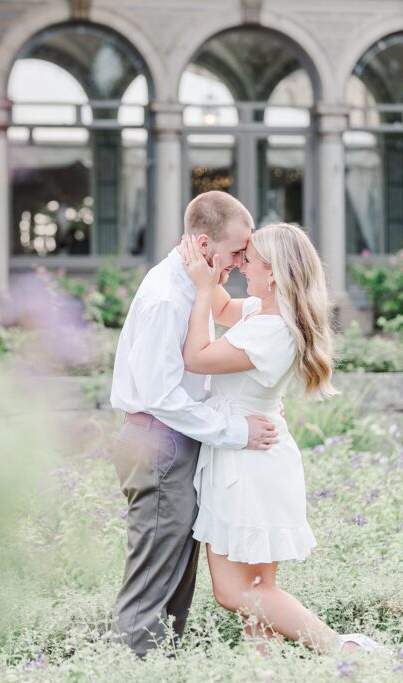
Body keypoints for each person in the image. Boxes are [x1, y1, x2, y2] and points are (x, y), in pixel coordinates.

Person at [180, 222, 384, 655]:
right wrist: (208, 271)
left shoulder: (271, 330)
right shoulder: (264, 312)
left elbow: (197, 358)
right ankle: (266, 670)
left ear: (272, 273)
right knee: (258, 590)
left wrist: (201, 289)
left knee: (235, 593)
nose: (239, 267)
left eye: (247, 260)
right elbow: (222, 310)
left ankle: (344, 652)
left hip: (249, 464)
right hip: (250, 453)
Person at [109, 191, 280, 657]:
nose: (240, 262)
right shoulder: (168, 297)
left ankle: (164, 664)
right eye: (236, 253)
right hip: (159, 441)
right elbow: (161, 396)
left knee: (173, 577)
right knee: (152, 581)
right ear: (204, 245)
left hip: (171, 441)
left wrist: (290, 302)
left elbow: (234, 310)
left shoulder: (189, 282)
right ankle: (135, 667)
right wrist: (239, 432)